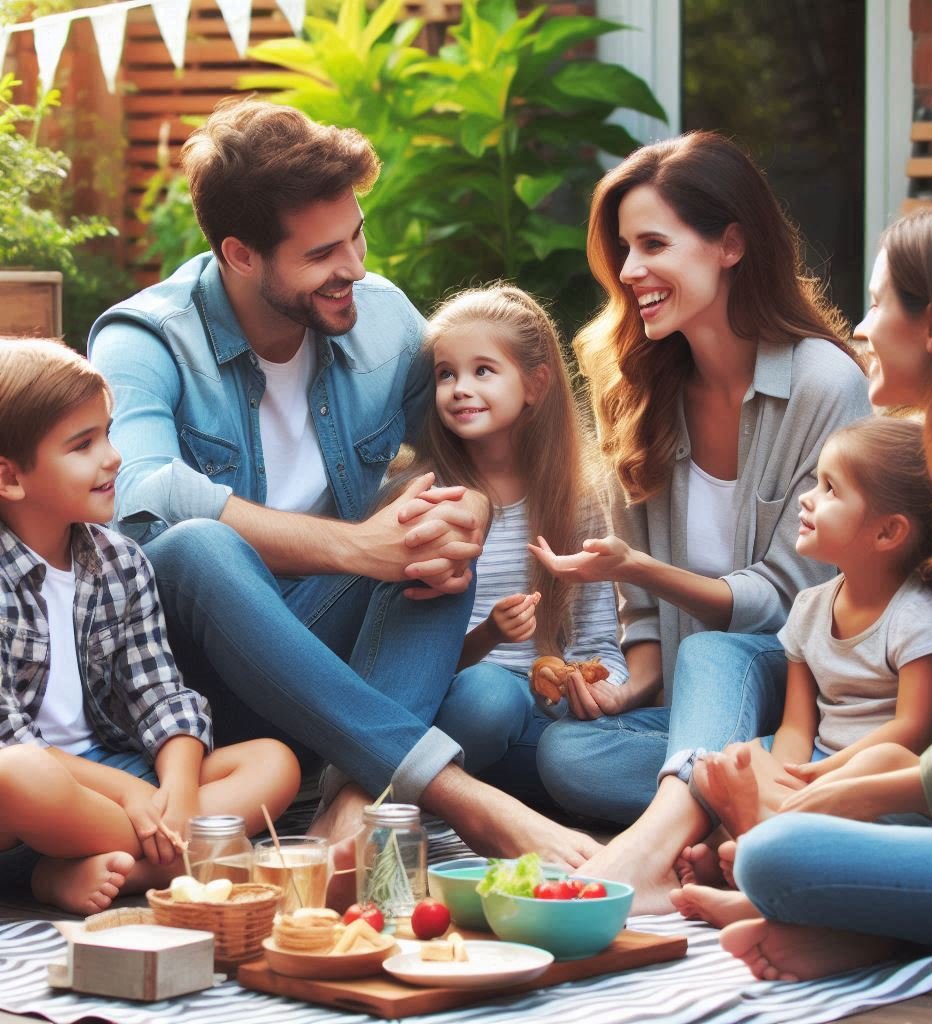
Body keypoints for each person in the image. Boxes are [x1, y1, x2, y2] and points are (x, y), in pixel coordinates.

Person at [88, 97, 599, 872]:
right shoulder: (146, 337)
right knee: (197, 546)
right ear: (241, 253)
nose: (354, 268)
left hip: (325, 669)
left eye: (357, 235)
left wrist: (467, 508)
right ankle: (462, 799)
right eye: (324, 253)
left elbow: (469, 454)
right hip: (194, 699)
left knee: (431, 546)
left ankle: (346, 812)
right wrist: (357, 547)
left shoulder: (382, 319)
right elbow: (141, 493)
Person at [529, 130, 871, 910]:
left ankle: (646, 856)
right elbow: (640, 614)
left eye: (653, 244)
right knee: (563, 753)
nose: (629, 271)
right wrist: (631, 683)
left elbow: (796, 600)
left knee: (719, 652)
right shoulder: (635, 383)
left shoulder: (824, 382)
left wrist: (639, 567)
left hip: (801, 701)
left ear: (730, 244)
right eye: (623, 249)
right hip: (697, 715)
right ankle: (731, 806)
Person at [719, 205, 932, 981]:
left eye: (882, 301)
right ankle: (876, 930)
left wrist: (813, 804)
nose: (860, 324)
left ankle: (879, 930)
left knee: (776, 853)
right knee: (778, 839)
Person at [0, 339, 300, 914]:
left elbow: (161, 693)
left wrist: (179, 793)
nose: (113, 457)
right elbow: (11, 740)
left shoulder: (121, 561)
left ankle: (107, 864)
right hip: (28, 803)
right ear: (11, 479)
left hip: (113, 773)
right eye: (83, 445)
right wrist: (135, 796)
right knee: (17, 777)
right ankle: (185, 855)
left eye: (107, 433)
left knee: (272, 762)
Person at [673, 415, 932, 928]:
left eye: (830, 489)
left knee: (886, 756)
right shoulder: (809, 608)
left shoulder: (916, 615)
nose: (807, 498)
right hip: (817, 767)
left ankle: (754, 846)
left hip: (884, 778)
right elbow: (796, 726)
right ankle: (760, 846)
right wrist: (788, 773)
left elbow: (911, 730)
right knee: (729, 759)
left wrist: (823, 775)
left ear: (888, 531)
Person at [389, 284, 627, 804]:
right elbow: (404, 660)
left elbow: (597, 641)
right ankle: (430, 795)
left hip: (544, 714)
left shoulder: (577, 498)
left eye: (483, 371)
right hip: (455, 700)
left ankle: (474, 789)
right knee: (489, 698)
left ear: (535, 383)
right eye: (446, 373)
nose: (459, 388)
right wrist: (490, 635)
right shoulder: (422, 496)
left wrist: (602, 690)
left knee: (574, 747)